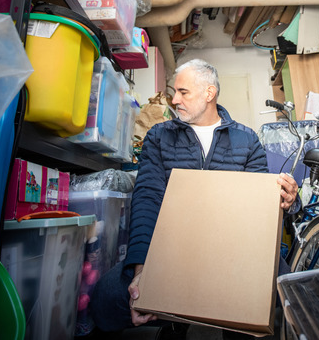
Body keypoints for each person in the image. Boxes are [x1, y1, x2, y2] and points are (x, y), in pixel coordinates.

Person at [89, 59, 299, 334]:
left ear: (209, 93)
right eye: (174, 92)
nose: (174, 99)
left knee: (288, 297)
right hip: (174, 247)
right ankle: (177, 323)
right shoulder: (159, 137)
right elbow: (148, 199)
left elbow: (259, 208)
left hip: (234, 248)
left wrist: (288, 200)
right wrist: (143, 270)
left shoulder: (247, 140)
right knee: (105, 300)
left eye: (183, 92)